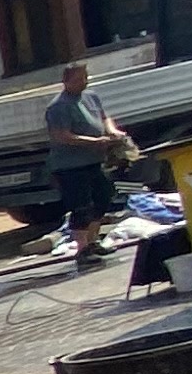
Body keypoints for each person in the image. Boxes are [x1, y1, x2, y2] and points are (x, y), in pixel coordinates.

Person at [45, 61, 134, 265]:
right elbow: (62, 136)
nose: (83, 82)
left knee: (103, 197)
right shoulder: (58, 106)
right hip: (70, 165)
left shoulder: (91, 97)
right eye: (78, 79)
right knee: (81, 206)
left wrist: (111, 131)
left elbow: (104, 117)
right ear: (66, 81)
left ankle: (93, 241)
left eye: (85, 77)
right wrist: (95, 141)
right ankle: (82, 249)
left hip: (94, 160)